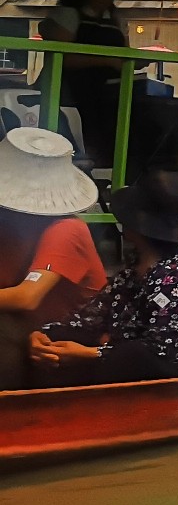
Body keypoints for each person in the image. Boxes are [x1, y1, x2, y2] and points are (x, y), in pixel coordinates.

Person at [30, 171, 178, 384]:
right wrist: (42, 337)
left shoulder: (173, 279)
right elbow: (89, 319)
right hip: (126, 366)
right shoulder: (131, 272)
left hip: (177, 382)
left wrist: (91, 354)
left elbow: (157, 354)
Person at [0, 126, 107, 389]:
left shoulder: (67, 229)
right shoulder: (9, 225)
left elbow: (27, 297)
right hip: (33, 331)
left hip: (70, 340)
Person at [38, 0, 127, 168]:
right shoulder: (67, 15)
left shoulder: (116, 18)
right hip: (69, 95)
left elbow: (125, 55)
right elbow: (63, 57)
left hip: (107, 97)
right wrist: (107, 60)